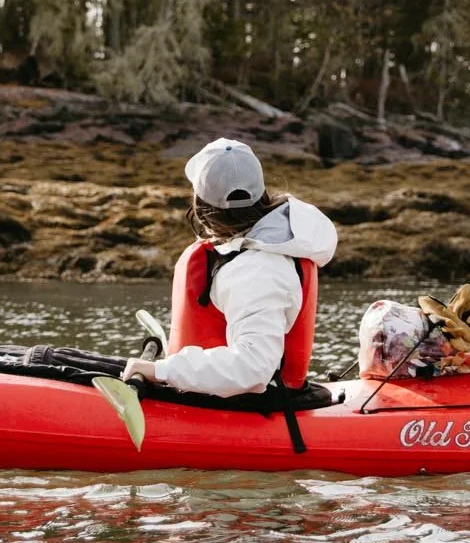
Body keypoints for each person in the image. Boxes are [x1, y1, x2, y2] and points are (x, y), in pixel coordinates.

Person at [119, 138, 338, 398]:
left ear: (201, 208)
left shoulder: (256, 270)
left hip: (247, 409)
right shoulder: (257, 250)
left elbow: (253, 368)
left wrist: (163, 371)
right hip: (223, 399)